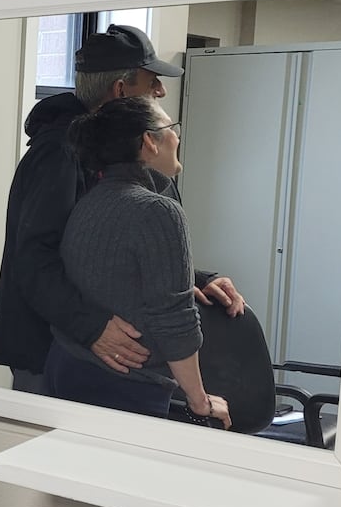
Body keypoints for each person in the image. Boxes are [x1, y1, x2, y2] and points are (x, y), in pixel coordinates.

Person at [0, 24, 244, 395]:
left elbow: (116, 249)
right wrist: (91, 327)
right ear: (122, 90)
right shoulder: (59, 153)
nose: (161, 91)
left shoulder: (121, 160)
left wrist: (195, 279)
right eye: (152, 81)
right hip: (54, 353)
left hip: (98, 357)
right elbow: (32, 259)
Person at [44, 95, 231, 428]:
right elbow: (175, 320)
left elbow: (119, 283)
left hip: (68, 368)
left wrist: (197, 280)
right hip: (123, 389)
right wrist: (200, 402)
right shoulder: (158, 212)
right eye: (171, 128)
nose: (177, 136)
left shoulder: (91, 202)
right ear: (150, 141)